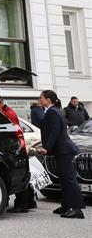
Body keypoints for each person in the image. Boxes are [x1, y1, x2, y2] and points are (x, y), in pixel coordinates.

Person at [36, 89, 84, 219]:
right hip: (62, 150)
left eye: (41, 98)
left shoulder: (53, 112)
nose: (39, 100)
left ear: (48, 100)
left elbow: (55, 131)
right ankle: (66, 206)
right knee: (63, 179)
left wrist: (46, 148)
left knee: (69, 180)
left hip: (64, 150)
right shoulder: (53, 111)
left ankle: (77, 209)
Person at [0, 94, 35, 213]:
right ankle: (28, 202)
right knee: (20, 175)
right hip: (15, 148)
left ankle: (22, 204)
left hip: (15, 149)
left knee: (19, 176)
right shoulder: (7, 112)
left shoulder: (9, 114)